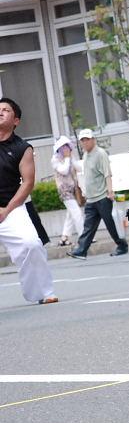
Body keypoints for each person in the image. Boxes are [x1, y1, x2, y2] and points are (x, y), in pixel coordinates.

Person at [0, 97, 58, 304]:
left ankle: (42, 292)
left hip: (11, 209)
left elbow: (27, 183)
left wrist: (6, 210)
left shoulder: (22, 148)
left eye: (5, 110)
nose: (0, 112)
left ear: (16, 120)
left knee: (32, 243)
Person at [67, 129, 128, 259]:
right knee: (88, 226)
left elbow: (107, 174)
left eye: (87, 139)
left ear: (93, 140)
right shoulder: (85, 155)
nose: (85, 142)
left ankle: (122, 245)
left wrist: (110, 191)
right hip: (91, 198)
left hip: (102, 196)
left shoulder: (100, 154)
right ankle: (81, 250)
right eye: (82, 140)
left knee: (110, 224)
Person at [51, 135, 84, 246]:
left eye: (67, 146)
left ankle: (64, 238)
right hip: (64, 191)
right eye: (63, 147)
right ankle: (83, 237)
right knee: (77, 213)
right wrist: (67, 158)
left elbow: (79, 167)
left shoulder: (70, 157)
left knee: (71, 214)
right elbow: (64, 170)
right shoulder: (55, 160)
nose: (66, 149)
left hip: (73, 189)